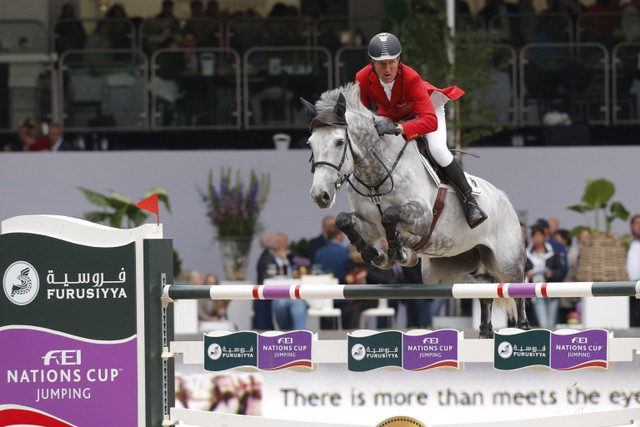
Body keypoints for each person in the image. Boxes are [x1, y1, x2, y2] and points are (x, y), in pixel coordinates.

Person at [355, 32, 486, 229]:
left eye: (391, 62)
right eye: (381, 64)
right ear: (372, 62)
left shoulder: (411, 77)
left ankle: (470, 201)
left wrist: (399, 128)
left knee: (438, 150)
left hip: (427, 111)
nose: (387, 69)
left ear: (399, 59)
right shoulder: (362, 78)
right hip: (393, 114)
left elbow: (429, 122)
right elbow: (361, 116)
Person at [526, 225, 565, 329]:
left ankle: (552, 343)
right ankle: (547, 342)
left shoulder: (553, 252)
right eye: (535, 236)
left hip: (551, 291)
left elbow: (560, 271)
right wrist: (527, 275)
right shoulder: (527, 254)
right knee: (544, 323)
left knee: (552, 322)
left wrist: (551, 273)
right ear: (532, 237)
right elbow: (522, 271)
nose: (538, 239)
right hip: (536, 291)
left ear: (544, 237)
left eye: (540, 236)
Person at [271, 232, 308, 330]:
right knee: (281, 303)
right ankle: (288, 333)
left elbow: (307, 262)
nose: (288, 244)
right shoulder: (270, 258)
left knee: (298, 301)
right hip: (277, 293)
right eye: (285, 242)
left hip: (294, 291)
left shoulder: (291, 258)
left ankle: (300, 335)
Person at [627, 214, 640, 326]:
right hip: (628, 287)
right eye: (637, 223)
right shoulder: (625, 244)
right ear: (631, 226)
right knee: (632, 320)